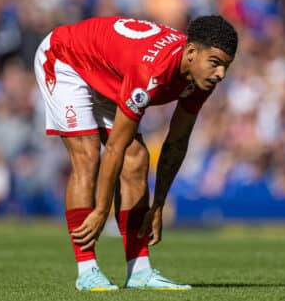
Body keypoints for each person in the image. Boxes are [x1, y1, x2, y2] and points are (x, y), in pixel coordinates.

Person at [33, 15, 238, 291]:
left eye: (226, 66)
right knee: (88, 156)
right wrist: (101, 210)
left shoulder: (200, 77)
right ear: (191, 53)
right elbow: (115, 146)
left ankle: (139, 272)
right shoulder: (151, 71)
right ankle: (87, 271)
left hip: (108, 72)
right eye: (215, 63)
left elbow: (176, 143)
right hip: (66, 57)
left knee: (137, 159)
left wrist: (159, 205)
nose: (220, 74)